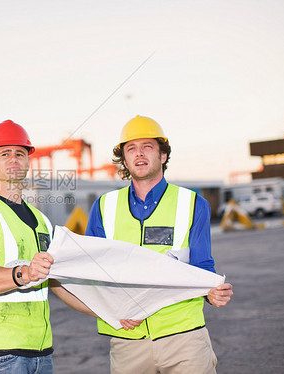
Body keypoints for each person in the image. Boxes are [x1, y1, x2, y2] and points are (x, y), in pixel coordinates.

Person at [86, 115, 234, 374]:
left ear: (163, 155)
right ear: (124, 159)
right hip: (127, 339)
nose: (139, 154)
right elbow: (90, 272)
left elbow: (202, 266)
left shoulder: (193, 204)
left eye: (148, 147)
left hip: (183, 337)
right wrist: (112, 309)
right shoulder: (103, 207)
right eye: (131, 148)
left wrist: (213, 292)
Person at [0, 119, 92, 374]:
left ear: (27, 161)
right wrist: (26, 273)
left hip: (39, 352)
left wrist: (108, 314)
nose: (14, 159)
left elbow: (55, 283)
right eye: (5, 153)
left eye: (20, 153)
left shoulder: (41, 221)